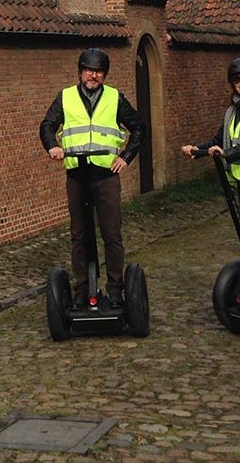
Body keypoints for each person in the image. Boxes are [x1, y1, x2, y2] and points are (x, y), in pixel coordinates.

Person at [39, 47, 147, 310]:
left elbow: (138, 128)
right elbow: (47, 125)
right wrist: (52, 146)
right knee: (79, 235)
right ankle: (82, 290)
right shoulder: (66, 97)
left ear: (104, 74)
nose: (93, 75)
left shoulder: (114, 98)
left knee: (111, 234)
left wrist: (126, 157)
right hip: (77, 175)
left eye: (98, 71)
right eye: (89, 70)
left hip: (105, 176)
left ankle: (115, 290)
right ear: (80, 72)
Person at [181, 56, 240, 247]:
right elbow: (219, 139)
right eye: (237, 79)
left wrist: (227, 153)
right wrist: (197, 149)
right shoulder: (232, 111)